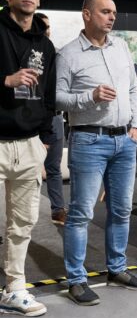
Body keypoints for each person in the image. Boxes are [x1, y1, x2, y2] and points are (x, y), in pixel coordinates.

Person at [56, 0, 137, 306]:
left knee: (121, 210)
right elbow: (57, 99)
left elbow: (132, 89)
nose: (111, 17)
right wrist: (90, 96)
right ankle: (76, 279)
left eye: (114, 13)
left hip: (125, 141)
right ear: (87, 14)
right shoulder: (68, 54)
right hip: (88, 140)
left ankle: (117, 269)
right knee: (81, 213)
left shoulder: (121, 47)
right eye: (105, 12)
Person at [0, 0, 56, 317]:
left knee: (22, 223)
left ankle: (15, 288)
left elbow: (48, 96)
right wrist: (6, 80)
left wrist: (46, 140)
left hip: (30, 143)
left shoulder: (44, 45)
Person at [38, 12, 66, 225]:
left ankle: (58, 209)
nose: (46, 31)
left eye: (47, 27)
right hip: (31, 119)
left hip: (55, 118)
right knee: (23, 171)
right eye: (42, 26)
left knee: (54, 167)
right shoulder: (22, 54)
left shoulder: (57, 55)